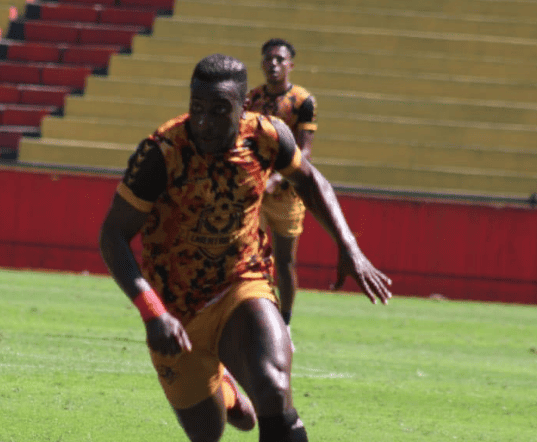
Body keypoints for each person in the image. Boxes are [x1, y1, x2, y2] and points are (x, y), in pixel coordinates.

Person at [99, 54, 392, 442]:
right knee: (209, 432)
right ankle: (222, 385)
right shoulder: (162, 153)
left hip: (242, 283)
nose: (204, 122)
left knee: (273, 391)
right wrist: (153, 312)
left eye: (219, 110)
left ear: (242, 108)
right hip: (177, 309)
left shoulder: (266, 136)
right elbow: (112, 236)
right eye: (197, 108)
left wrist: (348, 246)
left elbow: (309, 180)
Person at [246, 38, 318, 327]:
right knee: (254, 259)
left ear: (290, 65)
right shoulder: (252, 99)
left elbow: (306, 149)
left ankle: (285, 323)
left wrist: (280, 177)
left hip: (287, 192)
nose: (273, 64)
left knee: (285, 262)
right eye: (269, 59)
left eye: (279, 59)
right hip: (257, 191)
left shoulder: (302, 101)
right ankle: (259, 319)